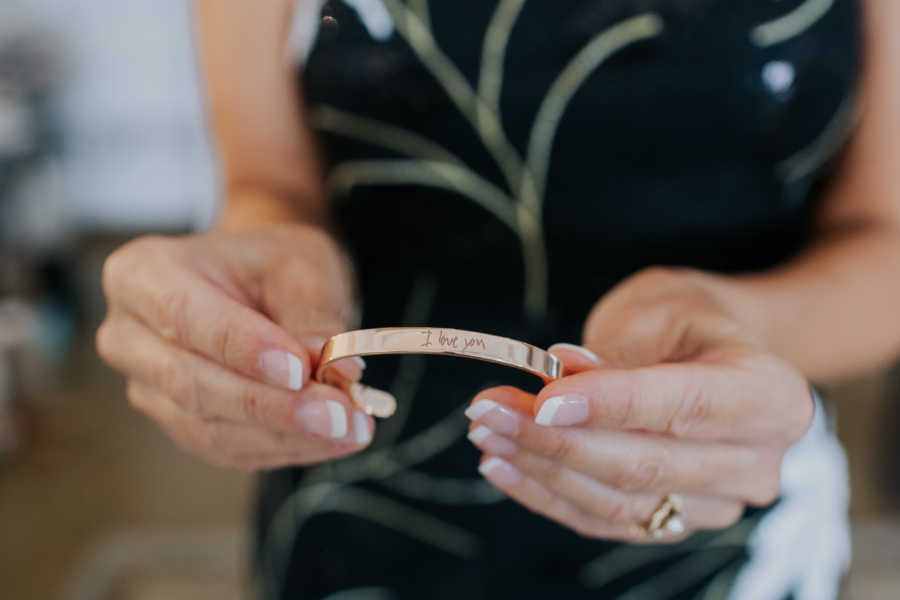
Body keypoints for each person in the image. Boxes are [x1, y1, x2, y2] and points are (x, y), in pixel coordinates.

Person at [96, 0, 900, 597]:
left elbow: (885, 240)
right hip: (359, 512)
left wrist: (735, 322)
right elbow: (266, 181)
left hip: (720, 514)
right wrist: (258, 267)